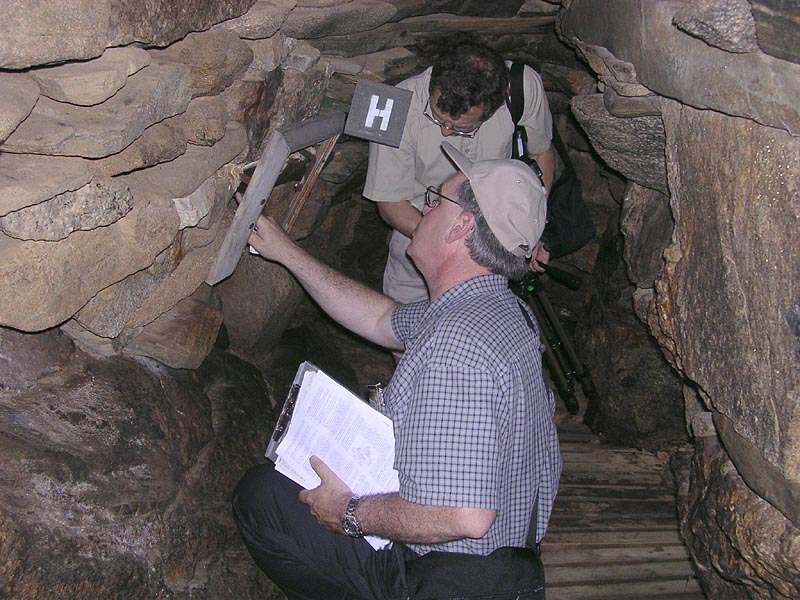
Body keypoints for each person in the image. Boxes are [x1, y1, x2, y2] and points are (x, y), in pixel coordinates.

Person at [232, 142, 562, 600]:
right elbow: (380, 320)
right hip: (505, 558)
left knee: (261, 500)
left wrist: (350, 513)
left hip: (448, 576)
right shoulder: (492, 309)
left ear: (461, 226)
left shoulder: (457, 346)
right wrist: (288, 253)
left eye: (435, 201)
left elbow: (463, 516)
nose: (425, 208)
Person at [363, 38, 556, 305]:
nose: (445, 132)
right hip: (420, 224)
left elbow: (541, 152)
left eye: (460, 128)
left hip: (496, 232)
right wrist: (454, 245)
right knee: (403, 320)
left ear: (493, 108)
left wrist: (528, 228)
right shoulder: (392, 105)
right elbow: (389, 202)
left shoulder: (523, 85)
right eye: (437, 119)